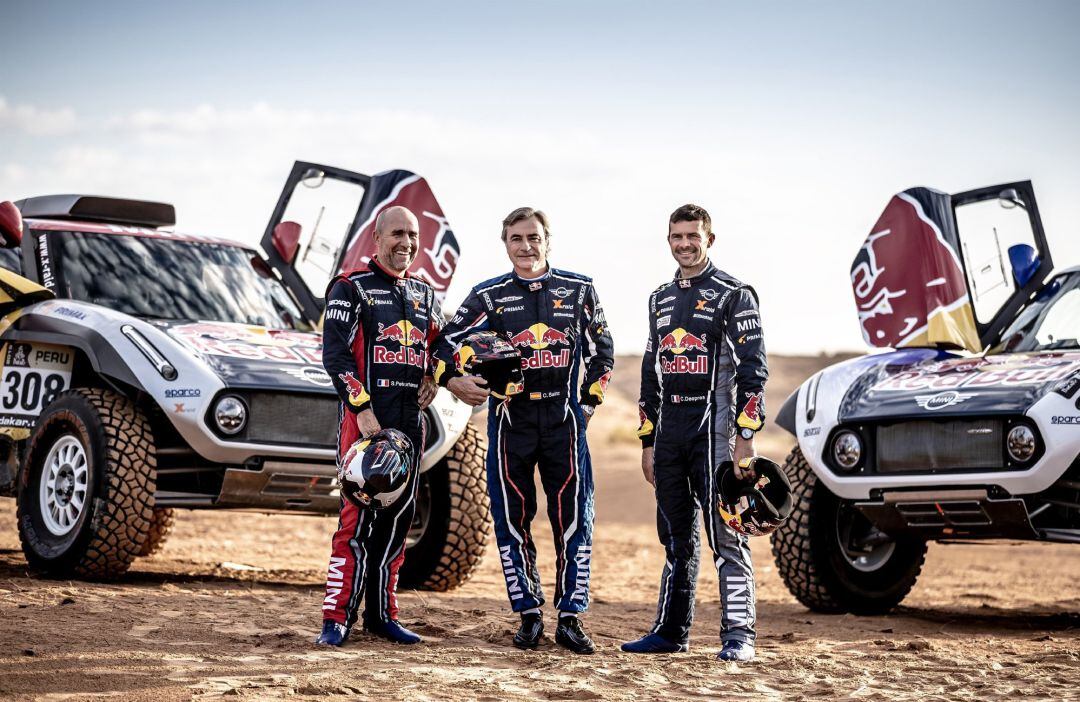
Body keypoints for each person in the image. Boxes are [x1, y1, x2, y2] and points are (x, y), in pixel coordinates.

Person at [434, 207, 614, 654]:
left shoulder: (579, 289)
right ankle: (529, 613)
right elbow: (442, 344)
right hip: (509, 420)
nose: (526, 246)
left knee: (573, 520)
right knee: (511, 517)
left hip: (564, 420)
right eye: (517, 239)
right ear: (506, 244)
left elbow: (603, 352)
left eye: (533, 237)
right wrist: (456, 380)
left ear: (547, 240)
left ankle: (571, 617)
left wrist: (587, 406)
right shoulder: (489, 295)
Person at [622, 204, 767, 662]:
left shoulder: (734, 293)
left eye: (693, 236)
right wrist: (647, 443)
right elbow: (651, 373)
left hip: (716, 435)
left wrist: (745, 436)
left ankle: (739, 636)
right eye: (677, 236)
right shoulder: (658, 298)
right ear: (668, 240)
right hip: (670, 436)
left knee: (727, 536)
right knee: (675, 538)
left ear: (710, 239)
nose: (685, 244)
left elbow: (754, 371)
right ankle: (670, 632)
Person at [315, 206, 443, 647]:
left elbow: (441, 348)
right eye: (396, 233)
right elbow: (335, 355)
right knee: (355, 520)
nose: (405, 242)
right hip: (365, 420)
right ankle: (336, 619)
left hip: (411, 423)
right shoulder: (350, 287)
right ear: (376, 237)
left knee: (398, 521)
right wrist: (361, 406)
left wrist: (434, 376)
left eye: (412, 234)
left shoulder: (426, 295)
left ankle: (382, 615)